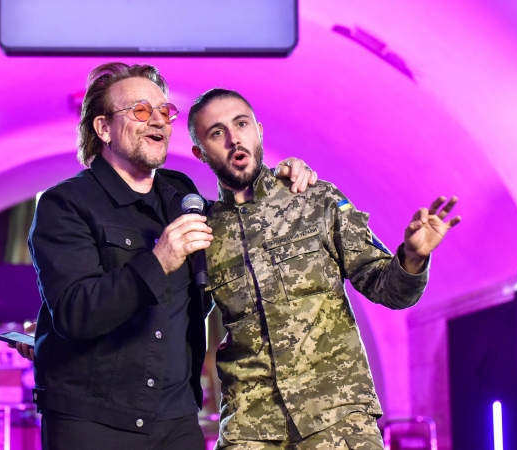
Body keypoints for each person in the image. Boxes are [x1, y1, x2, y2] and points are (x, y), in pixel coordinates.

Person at [21, 63, 316, 450]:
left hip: (175, 417)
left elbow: (243, 225)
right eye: (140, 110)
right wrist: (158, 260)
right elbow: (77, 312)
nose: (158, 119)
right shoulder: (66, 205)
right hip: (93, 420)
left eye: (165, 111)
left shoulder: (184, 197)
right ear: (104, 128)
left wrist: (279, 178)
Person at [187, 88, 461, 449]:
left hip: (337, 418)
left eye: (242, 124)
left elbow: (388, 289)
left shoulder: (316, 199)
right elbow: (181, 326)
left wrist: (412, 257)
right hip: (250, 430)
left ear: (259, 130)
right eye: (217, 132)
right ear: (200, 152)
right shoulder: (204, 233)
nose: (234, 138)